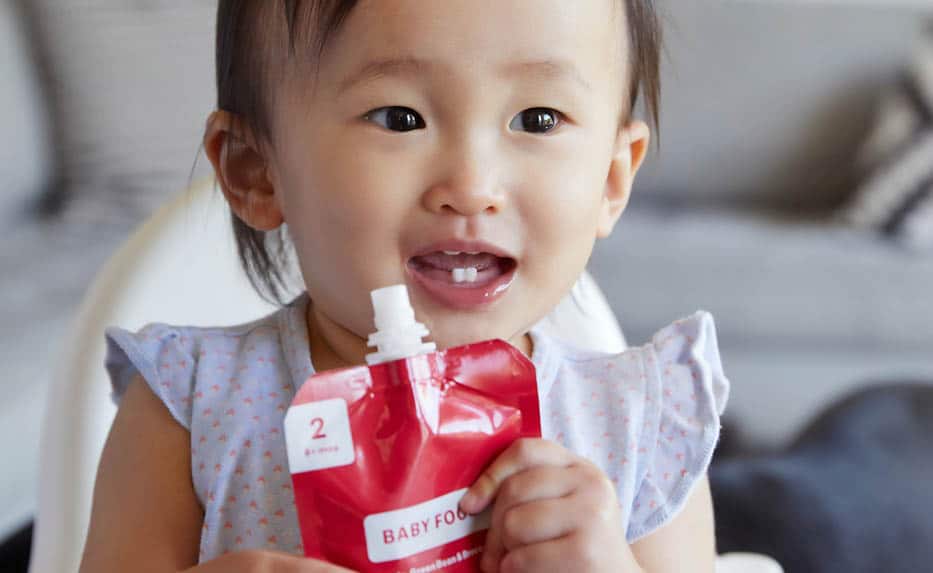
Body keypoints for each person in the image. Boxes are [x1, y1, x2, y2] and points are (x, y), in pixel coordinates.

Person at [79, 1, 729, 572]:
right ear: (258, 170)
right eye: (398, 117)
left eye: (536, 118)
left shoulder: (637, 424)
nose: (472, 185)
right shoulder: (191, 408)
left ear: (611, 181)